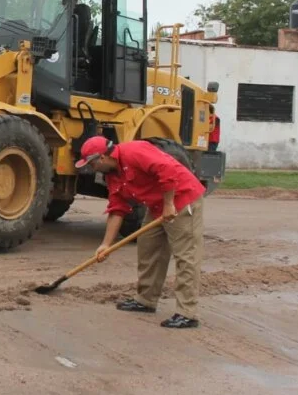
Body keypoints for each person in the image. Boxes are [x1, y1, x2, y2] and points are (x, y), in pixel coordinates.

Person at [75, 136, 206, 329]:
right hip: (156, 205)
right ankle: (146, 300)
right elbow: (117, 207)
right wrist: (106, 244)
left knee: (185, 256)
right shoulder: (112, 174)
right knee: (148, 248)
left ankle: (187, 313)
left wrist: (169, 204)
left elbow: (167, 170)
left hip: (181, 199)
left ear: (102, 158)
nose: (91, 168)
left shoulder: (135, 151)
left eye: (91, 163)